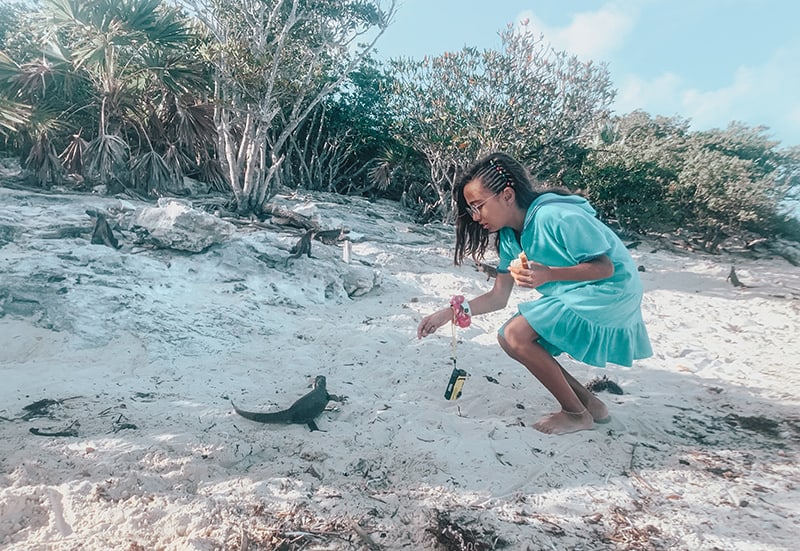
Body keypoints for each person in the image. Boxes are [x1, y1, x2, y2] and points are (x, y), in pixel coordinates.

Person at [417, 152, 652, 435]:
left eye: (478, 206)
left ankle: (576, 414)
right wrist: (448, 313)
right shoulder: (508, 237)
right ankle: (591, 405)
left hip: (613, 289)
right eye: (471, 210)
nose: (476, 216)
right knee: (511, 337)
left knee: (515, 334)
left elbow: (604, 267)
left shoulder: (555, 215)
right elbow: (498, 297)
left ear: (506, 195)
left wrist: (550, 273)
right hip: (583, 290)